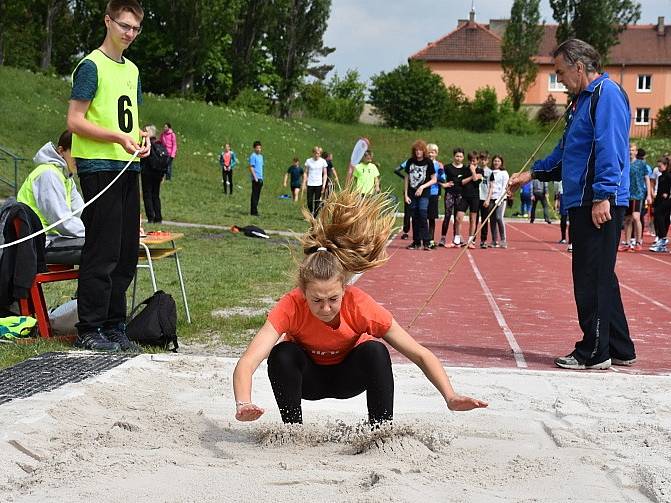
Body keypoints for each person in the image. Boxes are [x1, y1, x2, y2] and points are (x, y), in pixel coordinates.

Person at [232, 187, 488, 425]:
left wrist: (450, 396)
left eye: (333, 299)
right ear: (303, 292)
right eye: (316, 300)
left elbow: (419, 353)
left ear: (344, 288)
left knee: (376, 351)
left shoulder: (361, 305)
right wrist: (244, 402)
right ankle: (292, 432)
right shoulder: (290, 305)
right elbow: (248, 361)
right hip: (308, 380)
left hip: (348, 378)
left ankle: (380, 431)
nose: (326, 308)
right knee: (281, 354)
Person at [508, 38, 635, 370]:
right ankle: (620, 346)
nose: (560, 80)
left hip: (598, 200)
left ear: (579, 68)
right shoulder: (581, 103)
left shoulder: (605, 95)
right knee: (601, 275)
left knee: (590, 275)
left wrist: (603, 195)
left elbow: (611, 147)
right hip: (583, 198)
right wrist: (531, 174)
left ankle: (594, 351)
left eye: (561, 73)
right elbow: (566, 155)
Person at [66, 0, 149, 353]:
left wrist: (141, 138)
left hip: (129, 166)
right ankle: (90, 326)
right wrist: (116, 137)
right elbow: (75, 121)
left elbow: (127, 117)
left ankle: (115, 324)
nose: (129, 34)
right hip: (99, 167)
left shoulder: (131, 70)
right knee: (103, 250)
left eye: (135, 29)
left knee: (127, 250)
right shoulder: (91, 65)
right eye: (124, 26)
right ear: (108, 22)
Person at [17, 130, 86, 259]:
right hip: (41, 242)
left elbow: (82, 212)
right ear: (61, 151)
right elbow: (61, 220)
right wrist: (97, 233)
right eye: (76, 153)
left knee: (109, 242)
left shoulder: (66, 177)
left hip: (53, 238)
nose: (80, 159)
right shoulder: (48, 174)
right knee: (102, 246)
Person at [404, 140, 437, 250]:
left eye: (420, 150)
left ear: (424, 151)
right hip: (412, 193)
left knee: (423, 214)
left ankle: (426, 242)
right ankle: (416, 242)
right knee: (415, 216)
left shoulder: (428, 162)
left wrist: (422, 187)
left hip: (424, 193)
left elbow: (434, 180)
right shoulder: (410, 161)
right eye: (416, 150)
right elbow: (406, 178)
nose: (418, 152)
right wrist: (405, 194)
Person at [621, 148, 652, 252]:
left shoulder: (641, 164)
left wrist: (649, 195)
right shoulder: (624, 162)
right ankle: (627, 242)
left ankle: (638, 241)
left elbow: (647, 178)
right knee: (627, 219)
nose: (630, 152)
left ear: (636, 152)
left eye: (632, 150)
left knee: (636, 217)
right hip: (626, 194)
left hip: (638, 194)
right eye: (629, 150)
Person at [439, 147, 466, 247]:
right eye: (457, 156)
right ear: (454, 156)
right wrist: (443, 184)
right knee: (447, 215)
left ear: (463, 157)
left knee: (457, 217)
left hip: (460, 195)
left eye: (460, 156)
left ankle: (457, 237)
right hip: (449, 194)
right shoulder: (447, 167)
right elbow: (438, 176)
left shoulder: (465, 168)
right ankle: (443, 237)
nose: (458, 158)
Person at [140, 124, 167, 223]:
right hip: (158, 173)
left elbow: (142, 157)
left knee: (147, 194)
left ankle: (151, 216)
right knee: (155, 195)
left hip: (147, 172)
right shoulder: (160, 145)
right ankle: (158, 217)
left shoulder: (146, 144)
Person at [484, 155, 509, 248]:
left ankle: (503, 240)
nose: (496, 163)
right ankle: (494, 240)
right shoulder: (490, 172)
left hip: (501, 199)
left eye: (498, 161)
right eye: (495, 161)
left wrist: (500, 199)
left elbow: (504, 187)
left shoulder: (504, 173)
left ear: (501, 162)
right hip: (491, 198)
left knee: (499, 217)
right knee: (492, 219)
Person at [460, 151, 483, 248]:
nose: (473, 162)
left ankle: (471, 240)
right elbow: (462, 182)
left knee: (473, 219)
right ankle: (458, 238)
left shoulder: (480, 171)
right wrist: (472, 175)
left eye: (475, 160)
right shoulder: (464, 169)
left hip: (475, 196)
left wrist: (474, 171)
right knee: (459, 216)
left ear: (478, 161)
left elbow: (476, 181)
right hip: (464, 196)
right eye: (471, 160)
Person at [426, 144, 445, 249]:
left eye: (432, 152)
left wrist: (440, 172)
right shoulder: (423, 164)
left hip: (433, 192)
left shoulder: (438, 165)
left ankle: (431, 240)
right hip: (423, 192)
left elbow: (442, 179)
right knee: (422, 217)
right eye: (428, 152)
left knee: (432, 217)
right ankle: (423, 239)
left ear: (436, 154)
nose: (430, 154)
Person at [650, 157, 670, 253]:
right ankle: (662, 239)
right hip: (659, 199)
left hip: (667, 200)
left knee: (660, 214)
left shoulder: (669, 176)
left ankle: (663, 238)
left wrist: (668, 194)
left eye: (660, 166)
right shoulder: (660, 176)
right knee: (658, 216)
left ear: (666, 165)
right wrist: (655, 202)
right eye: (657, 166)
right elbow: (659, 191)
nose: (658, 168)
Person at [303, 146, 328, 217]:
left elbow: (325, 174)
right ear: (313, 153)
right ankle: (311, 212)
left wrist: (323, 185)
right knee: (309, 201)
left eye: (319, 153)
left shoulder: (323, 161)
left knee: (317, 202)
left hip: (318, 184)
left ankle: (314, 216)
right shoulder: (308, 161)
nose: (317, 155)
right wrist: (304, 183)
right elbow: (305, 173)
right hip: (310, 183)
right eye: (316, 153)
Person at [477, 151, 492, 248]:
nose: (483, 161)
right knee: (474, 219)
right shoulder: (476, 170)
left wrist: (488, 199)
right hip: (475, 197)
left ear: (487, 161)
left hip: (485, 197)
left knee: (484, 220)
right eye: (481, 160)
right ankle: (472, 239)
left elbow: (491, 187)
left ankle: (483, 240)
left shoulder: (490, 172)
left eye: (485, 160)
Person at [248, 140, 264, 216]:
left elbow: (261, 167)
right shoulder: (253, 156)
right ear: (254, 148)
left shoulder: (261, 157)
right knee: (254, 195)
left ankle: (255, 210)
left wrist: (261, 178)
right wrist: (255, 177)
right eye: (257, 148)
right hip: (255, 178)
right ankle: (253, 211)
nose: (259, 149)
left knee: (258, 195)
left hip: (261, 178)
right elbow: (251, 167)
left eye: (260, 148)